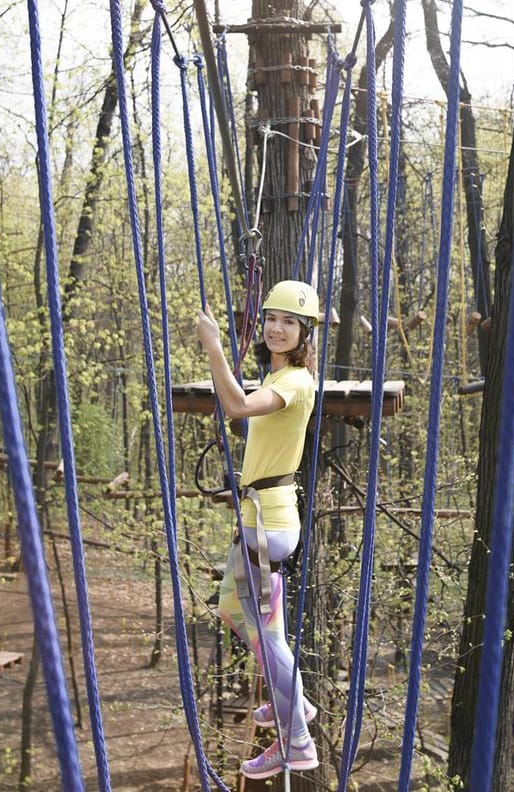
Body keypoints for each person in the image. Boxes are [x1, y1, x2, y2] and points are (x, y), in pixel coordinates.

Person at [193, 279, 322, 778]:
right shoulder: (280, 378)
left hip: (267, 525)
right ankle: (296, 703)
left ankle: (297, 741)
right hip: (260, 519)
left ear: (305, 332)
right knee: (232, 607)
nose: (277, 327)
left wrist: (214, 349)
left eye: (289, 322)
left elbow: (238, 407)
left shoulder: (293, 383)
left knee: (270, 641)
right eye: (272, 318)